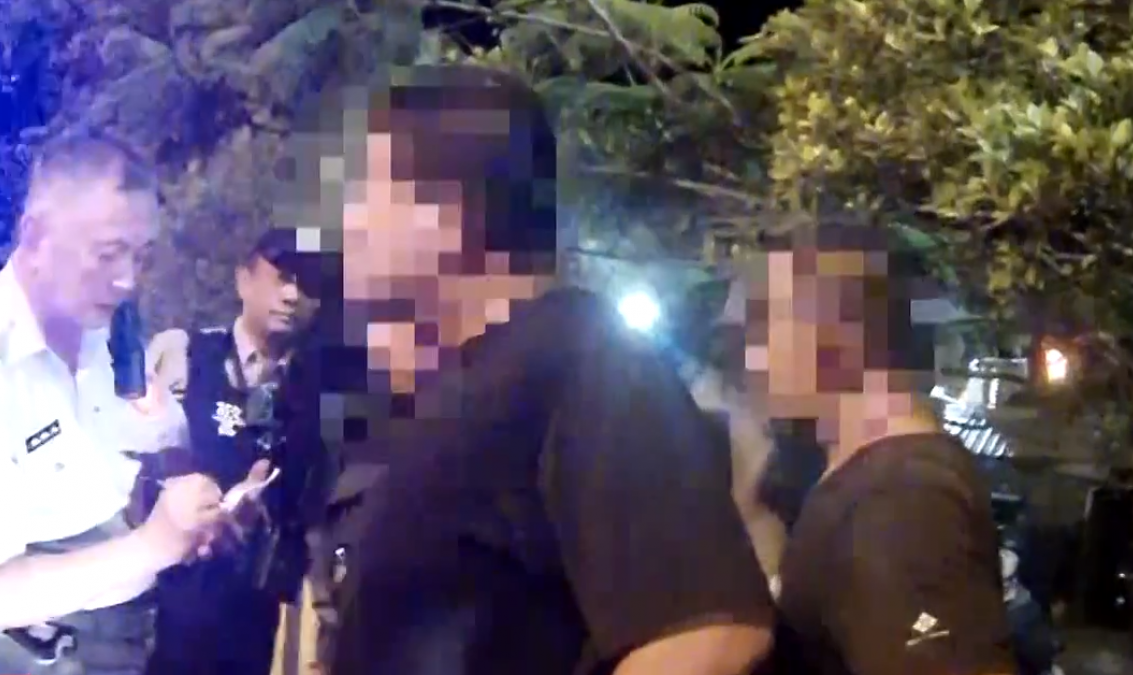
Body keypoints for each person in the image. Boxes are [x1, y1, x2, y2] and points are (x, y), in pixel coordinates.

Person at [308, 65, 775, 675]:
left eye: (368, 191)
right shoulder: (465, 387)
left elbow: (709, 636)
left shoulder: (579, 356)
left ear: (448, 211)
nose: (349, 222)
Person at [0, 129, 259, 673]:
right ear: (36, 235)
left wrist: (196, 515)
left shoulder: (111, 340)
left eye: (140, 258)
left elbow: (119, 479)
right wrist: (153, 544)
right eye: (108, 254)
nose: (126, 281)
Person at [735, 223, 1015, 675]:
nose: (751, 357)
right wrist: (754, 514)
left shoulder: (899, 503)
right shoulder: (869, 482)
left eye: (767, 327)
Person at [144, 228, 333, 675]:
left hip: (253, 622)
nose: (292, 296)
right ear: (243, 280)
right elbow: (136, 467)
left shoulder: (316, 394)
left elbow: (315, 511)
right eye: (282, 277)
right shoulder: (186, 356)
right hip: (165, 608)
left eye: (305, 285)